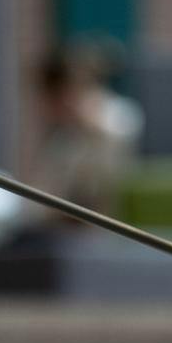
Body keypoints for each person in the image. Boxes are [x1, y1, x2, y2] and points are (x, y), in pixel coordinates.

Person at [29, 46, 141, 216]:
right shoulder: (61, 137)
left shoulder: (116, 115)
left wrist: (88, 126)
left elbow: (114, 174)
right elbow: (47, 194)